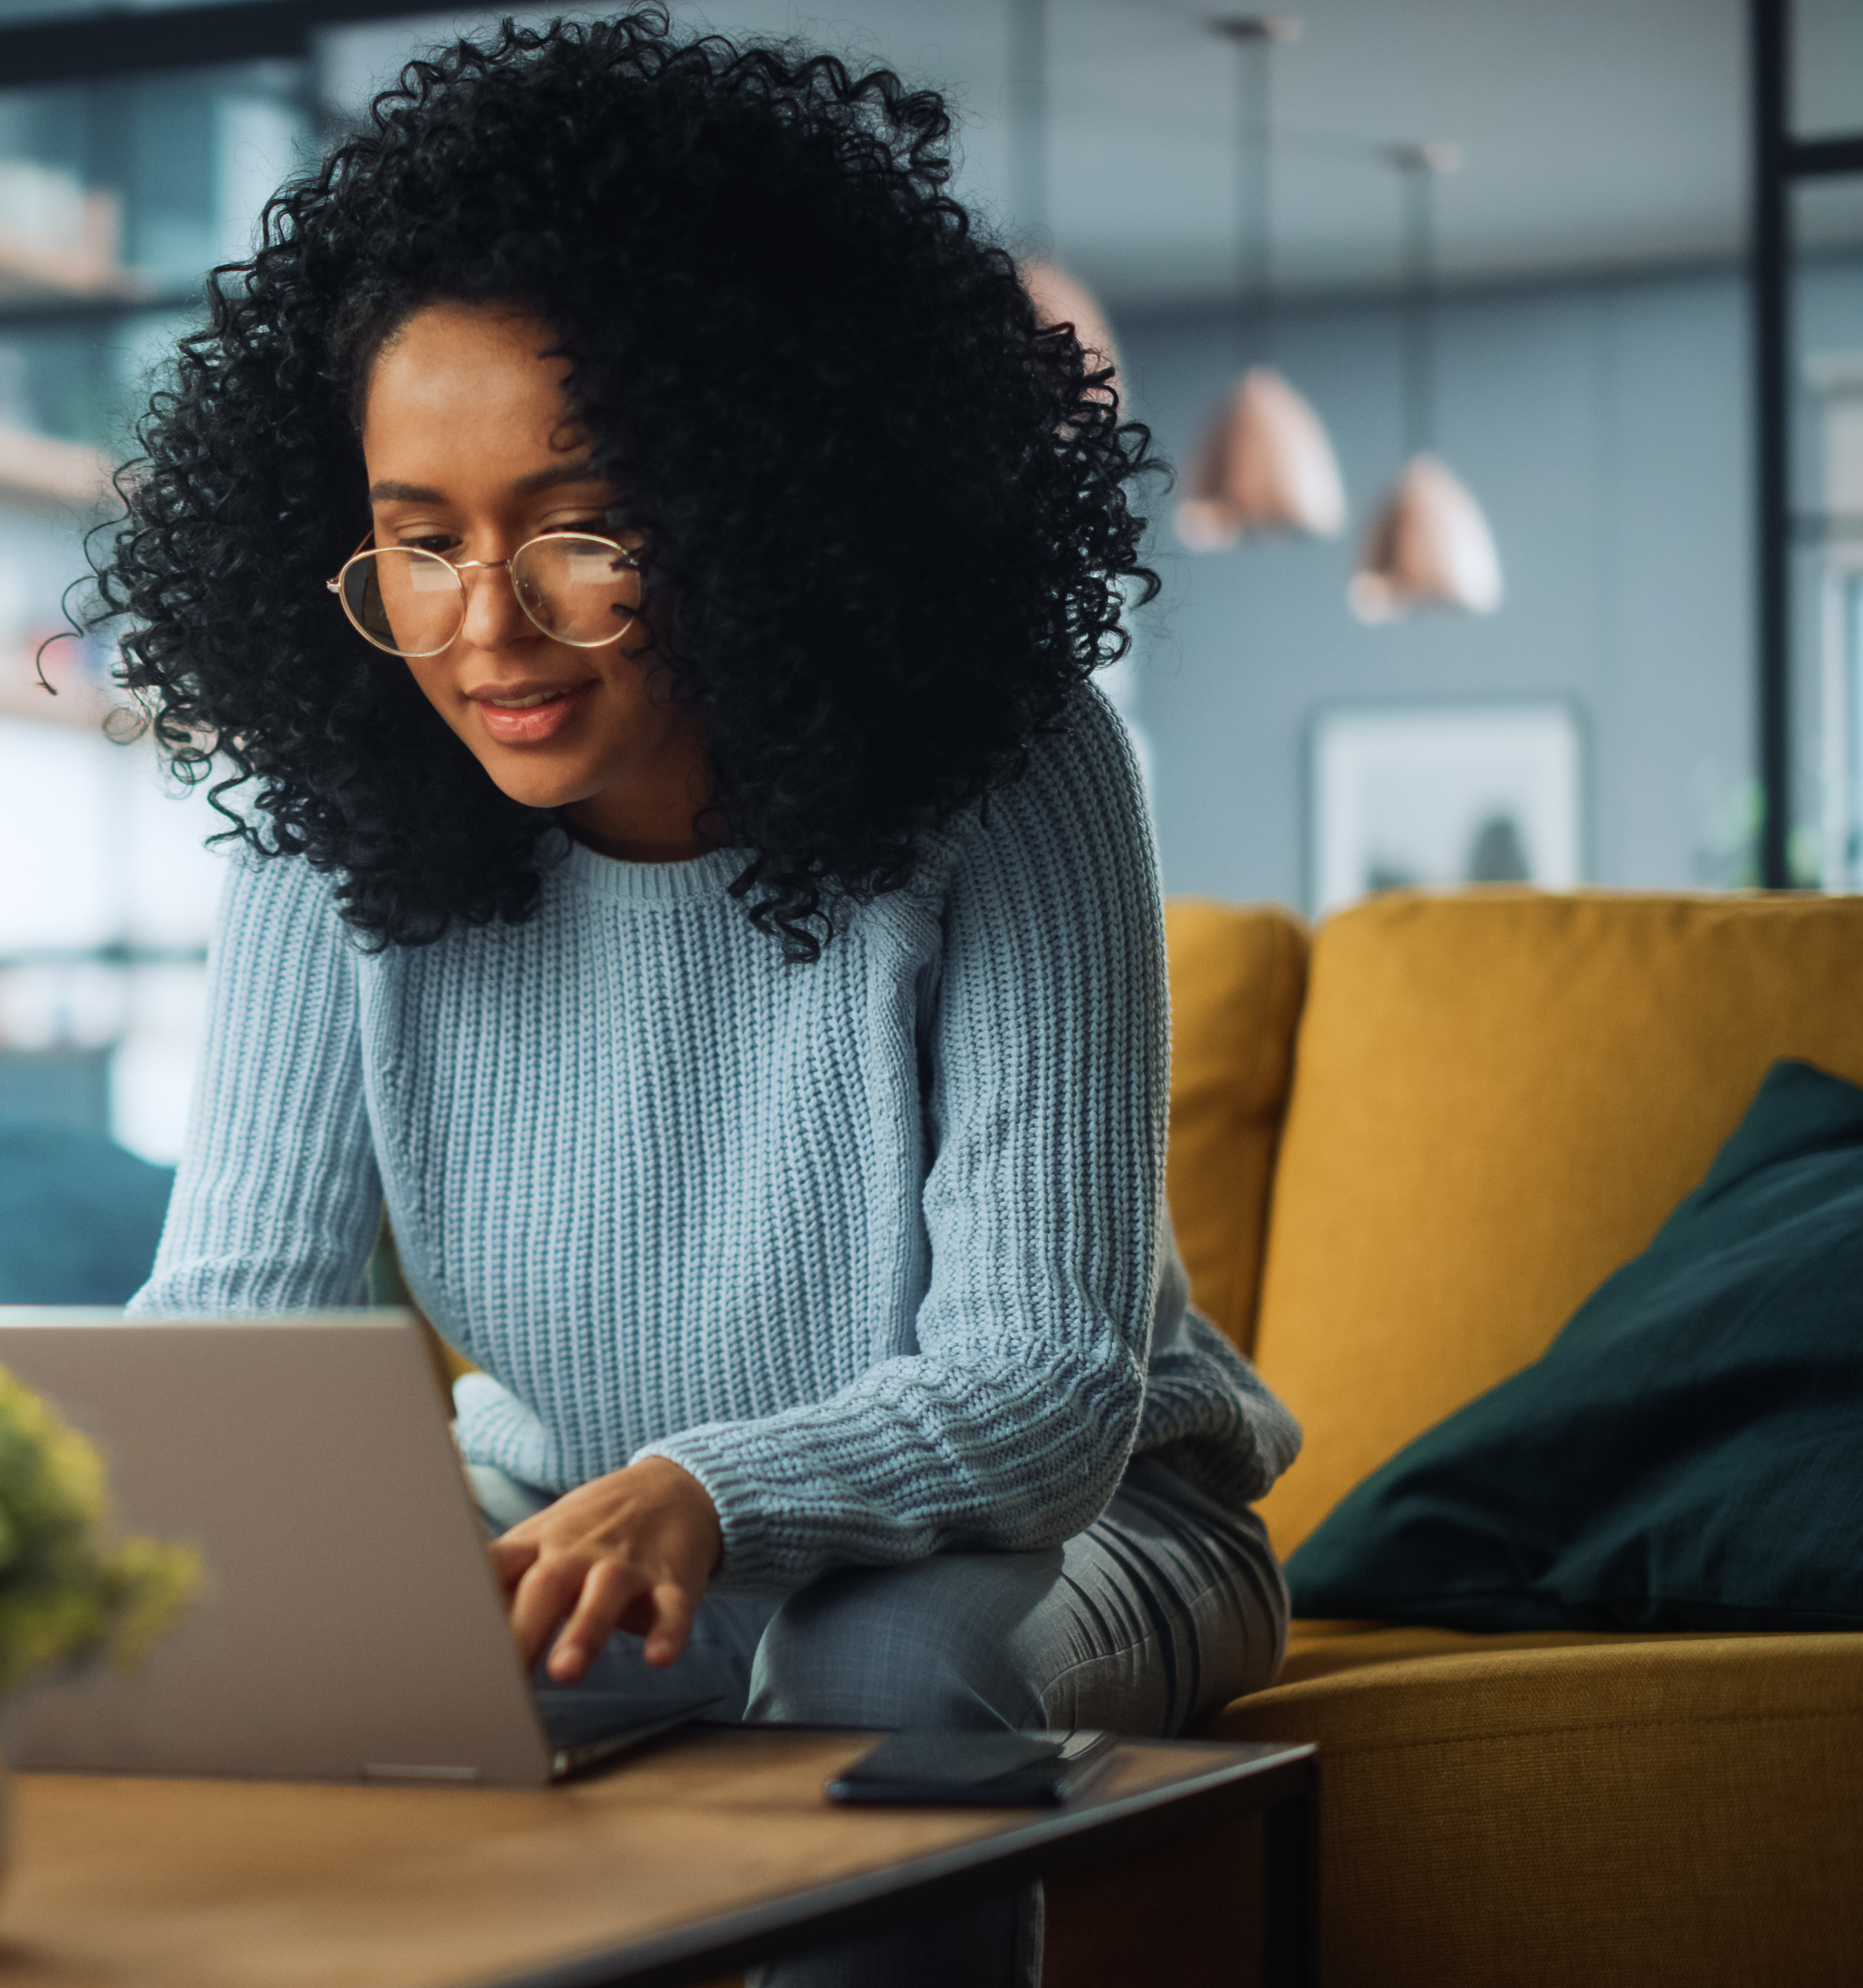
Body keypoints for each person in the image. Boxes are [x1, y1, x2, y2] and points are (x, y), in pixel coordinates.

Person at [102, 18, 1301, 1987]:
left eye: (585, 529)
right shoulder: (332, 816)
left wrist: (712, 1492)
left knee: (879, 1669)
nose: (487, 626)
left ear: (761, 505)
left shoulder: (1012, 768)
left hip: (1076, 1534)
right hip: (570, 1512)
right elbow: (237, 1323)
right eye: (419, 540)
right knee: (285, 1739)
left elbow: (1047, 1384)